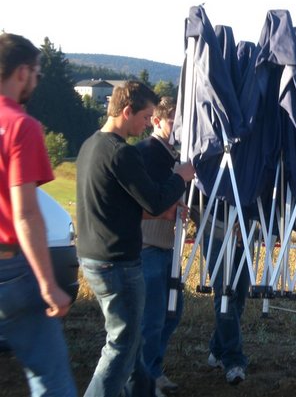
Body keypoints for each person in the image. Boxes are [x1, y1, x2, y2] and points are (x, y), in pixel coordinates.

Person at [76, 81, 195, 397]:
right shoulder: (122, 153)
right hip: (116, 261)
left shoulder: (90, 146)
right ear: (127, 111)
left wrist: (159, 214)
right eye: (145, 117)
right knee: (123, 344)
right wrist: (180, 178)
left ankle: (142, 389)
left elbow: (116, 205)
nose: (146, 124)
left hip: (94, 255)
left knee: (131, 344)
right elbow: (154, 200)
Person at [0, 33, 77, 397]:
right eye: (37, 74)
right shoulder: (20, 125)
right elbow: (27, 213)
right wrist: (48, 285)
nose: (36, 81)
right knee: (51, 380)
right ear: (21, 72)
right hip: (11, 268)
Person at [136, 96, 185, 395]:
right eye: (172, 122)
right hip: (149, 244)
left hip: (169, 247)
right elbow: (147, 199)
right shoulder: (146, 152)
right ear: (156, 121)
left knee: (173, 311)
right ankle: (144, 378)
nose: (176, 128)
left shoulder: (174, 156)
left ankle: (152, 369)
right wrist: (171, 206)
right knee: (152, 318)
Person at [201, 203, 250, 385]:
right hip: (215, 228)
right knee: (226, 294)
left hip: (243, 227)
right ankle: (233, 361)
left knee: (241, 290)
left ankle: (217, 349)